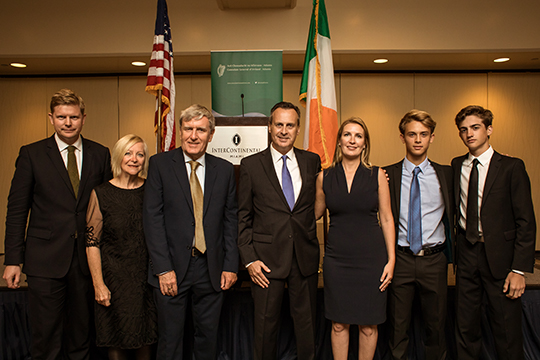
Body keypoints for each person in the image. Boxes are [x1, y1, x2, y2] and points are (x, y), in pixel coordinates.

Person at [2, 89, 112, 359]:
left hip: (86, 261)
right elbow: (17, 210)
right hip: (45, 261)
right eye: (61, 116)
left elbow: (108, 208)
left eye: (73, 116)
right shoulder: (32, 154)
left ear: (83, 118)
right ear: (51, 118)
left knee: (82, 337)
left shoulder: (100, 154)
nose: (68, 123)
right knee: (46, 339)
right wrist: (13, 260)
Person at [143, 104, 238, 360]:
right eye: (188, 129)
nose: (194, 136)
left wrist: (230, 266)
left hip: (212, 269)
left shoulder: (225, 170)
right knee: (170, 341)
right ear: (180, 132)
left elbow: (230, 221)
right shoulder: (160, 165)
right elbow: (152, 219)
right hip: (171, 268)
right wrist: (163, 269)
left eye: (200, 130)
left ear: (211, 134)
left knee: (208, 339)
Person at [237, 101, 321, 360]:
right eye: (279, 125)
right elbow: (242, 217)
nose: (284, 131)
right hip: (265, 261)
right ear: (269, 127)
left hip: (303, 258)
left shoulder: (312, 161)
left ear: (298, 129)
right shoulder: (250, 165)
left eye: (290, 125)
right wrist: (249, 259)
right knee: (265, 329)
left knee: (307, 329)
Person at [452, 105, 536, 360]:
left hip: (501, 258)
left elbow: (526, 221)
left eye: (475, 128)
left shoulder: (511, 167)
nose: (469, 134)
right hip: (466, 255)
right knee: (465, 327)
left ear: (489, 130)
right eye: (463, 130)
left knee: (506, 329)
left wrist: (519, 269)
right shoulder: (456, 166)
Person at [315, 117, 395, 360]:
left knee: (369, 325)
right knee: (338, 324)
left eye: (358, 136)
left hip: (372, 261)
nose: (352, 140)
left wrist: (391, 261)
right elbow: (313, 214)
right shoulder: (324, 177)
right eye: (347, 134)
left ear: (365, 143)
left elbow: (387, 218)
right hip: (337, 262)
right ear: (339, 141)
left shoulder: (378, 175)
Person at [383, 110, 454, 360]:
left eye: (423, 134)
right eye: (412, 134)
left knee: (435, 328)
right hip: (400, 260)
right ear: (402, 137)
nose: (417, 140)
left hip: (434, 260)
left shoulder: (447, 174)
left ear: (432, 137)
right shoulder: (386, 175)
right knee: (397, 328)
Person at [85, 134, 157, 360]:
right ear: (118, 156)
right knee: (116, 344)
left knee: (145, 342)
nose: (134, 159)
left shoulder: (152, 191)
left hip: (146, 283)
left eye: (140, 154)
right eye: (128, 153)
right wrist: (99, 285)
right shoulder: (101, 193)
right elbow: (91, 243)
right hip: (113, 283)